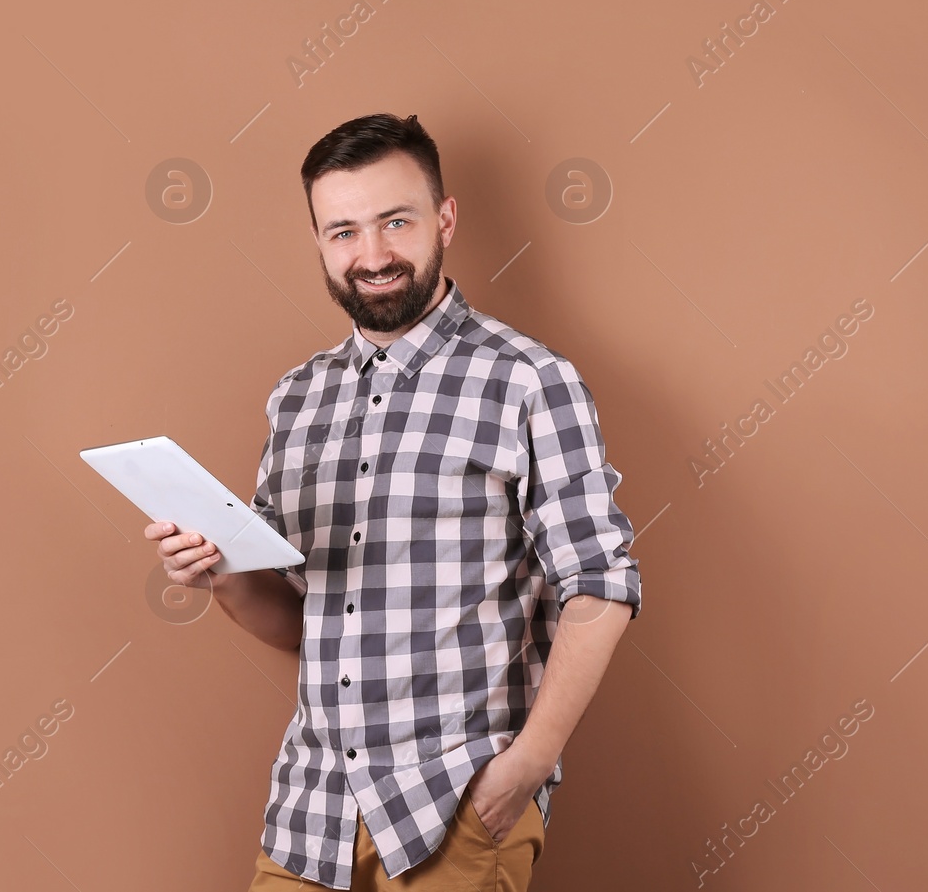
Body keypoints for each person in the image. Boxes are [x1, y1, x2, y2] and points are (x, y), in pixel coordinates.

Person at [145, 112, 642, 891]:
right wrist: (219, 573)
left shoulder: (529, 380)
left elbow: (601, 585)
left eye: (395, 222)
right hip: (311, 812)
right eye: (342, 231)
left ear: (444, 218)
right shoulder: (298, 399)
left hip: (457, 810)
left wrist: (527, 769)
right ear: (317, 240)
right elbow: (299, 614)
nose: (371, 255)